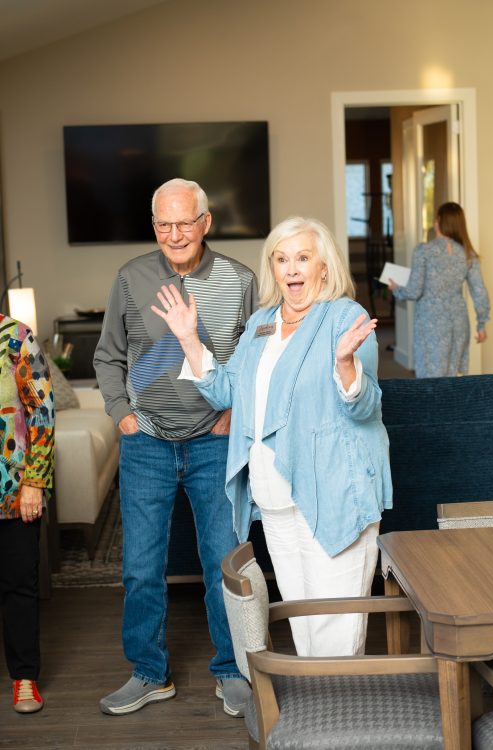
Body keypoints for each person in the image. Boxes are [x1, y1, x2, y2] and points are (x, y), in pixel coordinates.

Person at [152, 216, 392, 657]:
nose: (292, 269)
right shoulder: (262, 323)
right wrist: (188, 339)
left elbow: (365, 406)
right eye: (281, 259)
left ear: (324, 266)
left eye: (303, 257)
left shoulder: (345, 317)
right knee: (302, 619)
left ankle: (342, 719)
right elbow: (227, 391)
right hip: (276, 498)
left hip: (333, 495)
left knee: (335, 625)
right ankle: (317, 720)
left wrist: (343, 365)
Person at [94, 178, 257, 716]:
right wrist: (121, 415)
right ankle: (149, 671)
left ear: (206, 222)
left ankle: (231, 669)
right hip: (148, 445)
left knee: (224, 564)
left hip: (216, 442)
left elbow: (255, 362)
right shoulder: (131, 277)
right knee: (140, 566)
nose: (174, 233)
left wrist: (236, 412)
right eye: (163, 223)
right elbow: (107, 357)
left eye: (184, 222)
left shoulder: (240, 280)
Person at [0, 314, 55, 713]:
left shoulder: (17, 337)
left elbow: (42, 412)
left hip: (12, 490)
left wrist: (34, 482)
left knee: (18, 583)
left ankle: (24, 677)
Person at [388, 202, 490, 378]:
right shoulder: (467, 254)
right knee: (452, 377)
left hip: (431, 321)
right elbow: (479, 292)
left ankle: (435, 407)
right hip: (458, 320)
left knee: (431, 378)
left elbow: (414, 291)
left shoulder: (424, 251)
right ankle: (451, 406)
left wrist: (396, 289)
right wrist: (481, 325)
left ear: (440, 221)